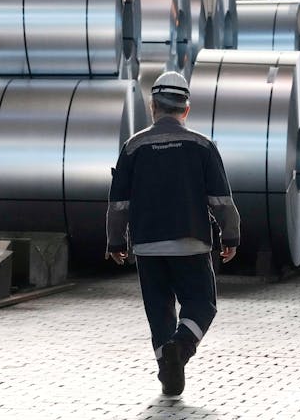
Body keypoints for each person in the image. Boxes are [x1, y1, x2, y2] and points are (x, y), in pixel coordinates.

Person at [106, 71, 240, 396]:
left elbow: (118, 203)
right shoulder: (202, 146)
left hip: (147, 246)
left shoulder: (132, 147)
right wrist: (231, 235)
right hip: (191, 243)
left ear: (152, 106)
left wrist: (114, 241)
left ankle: (169, 373)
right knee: (202, 304)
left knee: (158, 311)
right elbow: (221, 200)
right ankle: (179, 349)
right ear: (186, 109)